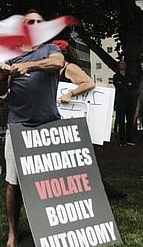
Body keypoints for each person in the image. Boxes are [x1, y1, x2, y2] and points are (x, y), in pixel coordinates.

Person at [0, 9, 64, 247]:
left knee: (53, 182)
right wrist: (2, 74)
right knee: (13, 182)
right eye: (30, 21)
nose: (35, 24)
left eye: (39, 21)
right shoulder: (10, 55)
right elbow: (1, 93)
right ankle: (13, 233)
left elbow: (58, 63)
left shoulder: (50, 49)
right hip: (18, 126)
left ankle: (52, 228)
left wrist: (30, 66)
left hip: (49, 125)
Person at [53, 39, 126, 199]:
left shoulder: (70, 68)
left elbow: (89, 83)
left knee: (80, 160)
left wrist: (70, 94)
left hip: (73, 119)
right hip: (62, 121)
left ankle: (104, 191)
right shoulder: (55, 70)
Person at [112, 59, 137, 146]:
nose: (123, 65)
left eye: (124, 63)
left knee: (130, 120)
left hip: (129, 101)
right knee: (121, 121)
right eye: (121, 64)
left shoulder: (130, 76)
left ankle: (130, 139)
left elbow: (133, 85)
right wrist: (127, 85)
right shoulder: (116, 76)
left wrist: (125, 85)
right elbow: (118, 85)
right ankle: (122, 140)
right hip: (120, 101)